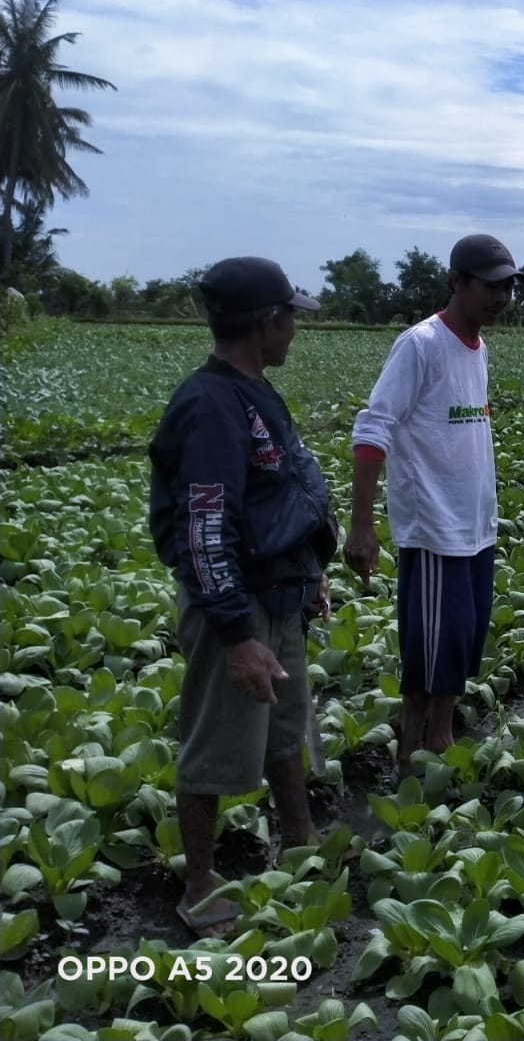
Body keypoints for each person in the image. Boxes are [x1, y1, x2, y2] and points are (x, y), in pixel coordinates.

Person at [148, 257, 338, 937]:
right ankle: (199, 884)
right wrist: (236, 635)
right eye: (291, 318)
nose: (296, 330)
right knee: (215, 741)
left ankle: (301, 839)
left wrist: (310, 569)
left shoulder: (253, 392)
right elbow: (205, 527)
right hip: (237, 605)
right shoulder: (210, 406)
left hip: (278, 592)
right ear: (266, 323)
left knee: (284, 729)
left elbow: (276, 495)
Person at [343, 234, 518, 766]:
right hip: (436, 529)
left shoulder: (478, 348)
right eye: (490, 286)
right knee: (431, 650)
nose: (501, 297)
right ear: (456, 282)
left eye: (508, 287)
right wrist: (361, 525)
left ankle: (435, 741)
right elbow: (373, 428)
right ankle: (415, 754)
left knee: (460, 642)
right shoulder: (420, 345)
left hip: (475, 526)